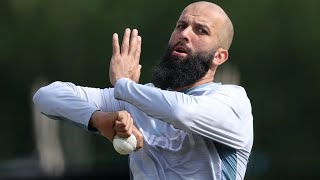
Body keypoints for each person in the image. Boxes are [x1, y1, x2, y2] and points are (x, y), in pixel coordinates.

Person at [33, 1, 253, 179]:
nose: (185, 34)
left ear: (219, 56)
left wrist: (123, 85)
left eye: (201, 31)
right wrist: (100, 120)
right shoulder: (134, 98)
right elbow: (46, 96)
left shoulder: (233, 101)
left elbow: (183, 112)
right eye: (180, 26)